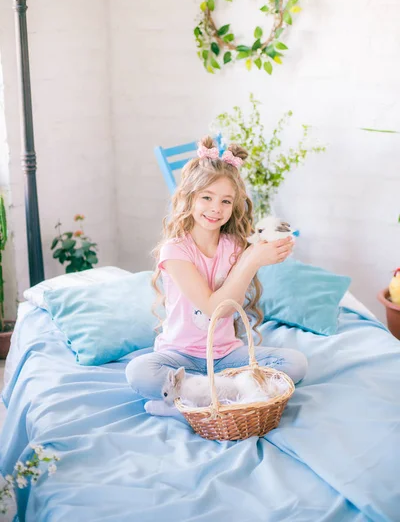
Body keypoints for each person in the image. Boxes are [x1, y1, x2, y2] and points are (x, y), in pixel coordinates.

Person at [125, 136, 308, 417]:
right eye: (206, 198)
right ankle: (230, 397)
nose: (215, 208)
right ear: (190, 198)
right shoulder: (175, 252)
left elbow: (260, 251)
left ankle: (195, 401)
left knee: (295, 364)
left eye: (225, 201)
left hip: (226, 356)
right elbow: (214, 308)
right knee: (139, 372)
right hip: (180, 358)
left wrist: (271, 246)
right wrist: (251, 260)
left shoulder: (234, 246)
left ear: (234, 206)